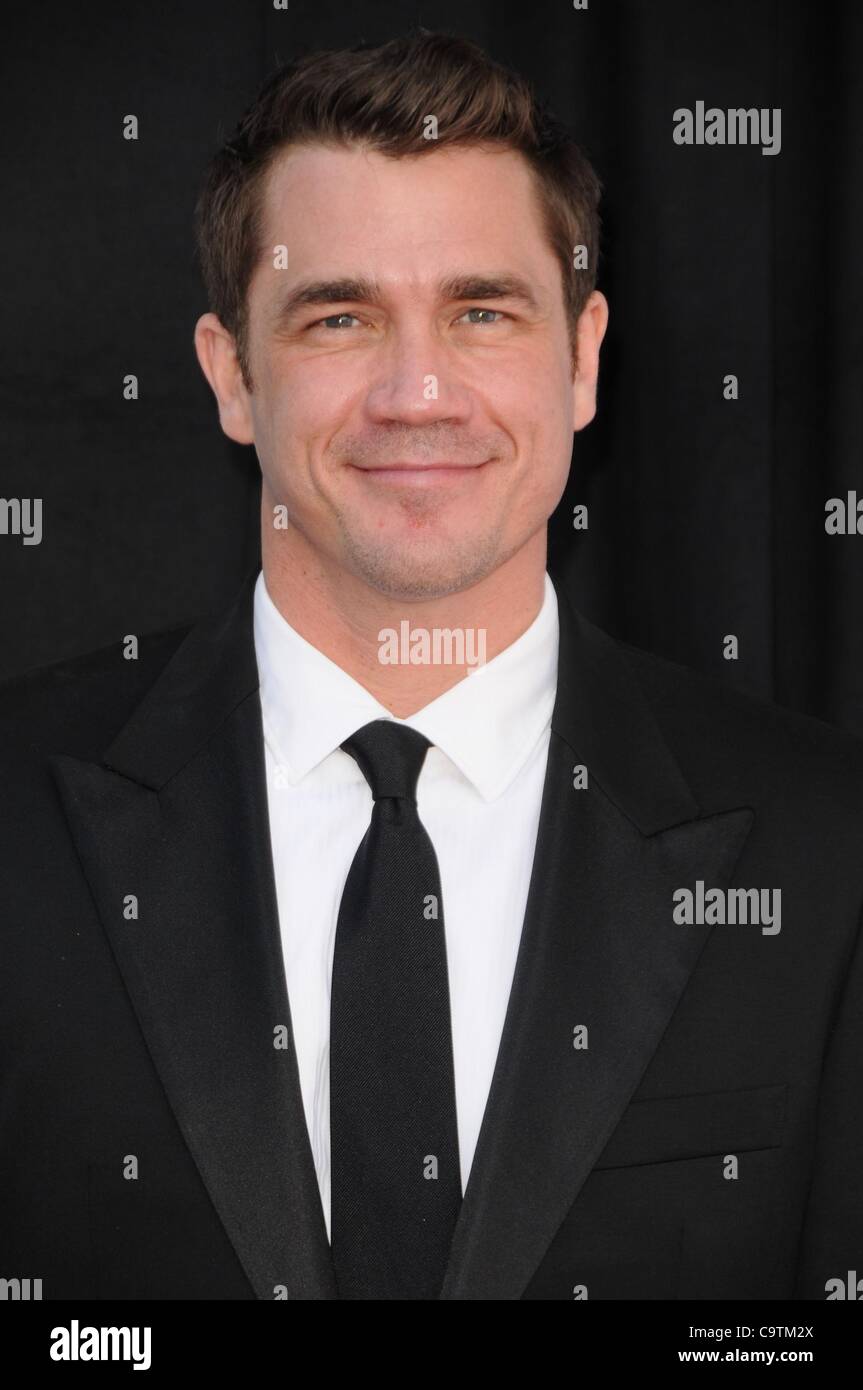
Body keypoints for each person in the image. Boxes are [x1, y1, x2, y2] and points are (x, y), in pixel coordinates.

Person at [1, 29, 862, 1302]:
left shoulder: (826, 843)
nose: (417, 391)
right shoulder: (16, 817)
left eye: (481, 311)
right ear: (232, 375)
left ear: (580, 358)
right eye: (339, 316)